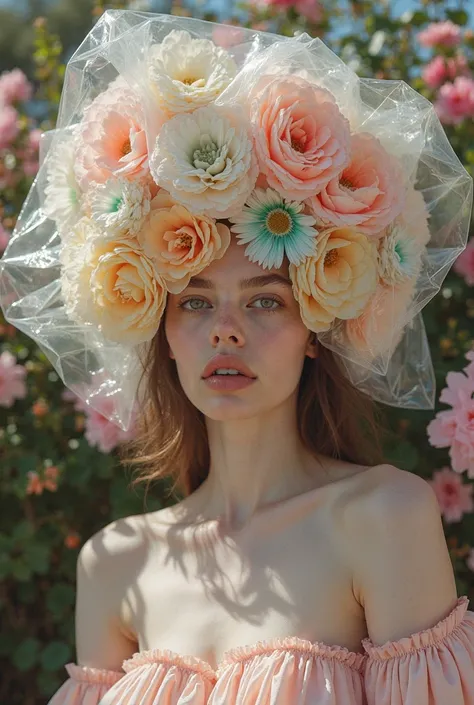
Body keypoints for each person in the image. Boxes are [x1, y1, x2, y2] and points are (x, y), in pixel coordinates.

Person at [0, 10, 473, 704]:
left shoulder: (383, 516)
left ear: (317, 321)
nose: (226, 330)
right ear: (158, 324)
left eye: (265, 300)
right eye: (194, 301)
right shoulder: (114, 563)